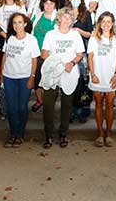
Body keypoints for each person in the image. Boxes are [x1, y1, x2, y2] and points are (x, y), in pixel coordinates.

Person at [40, 8, 84, 149]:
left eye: (69, 18)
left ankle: (63, 133)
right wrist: (57, 63)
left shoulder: (75, 35)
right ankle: (48, 135)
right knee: (48, 105)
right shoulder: (50, 34)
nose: (66, 20)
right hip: (52, 72)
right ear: (59, 19)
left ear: (72, 21)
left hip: (69, 72)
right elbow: (44, 53)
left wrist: (71, 63)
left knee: (67, 105)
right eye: (64, 17)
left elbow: (79, 54)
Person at [0, 13, 40, 147]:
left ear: (25, 24)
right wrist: (1, 73)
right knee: (11, 108)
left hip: (24, 78)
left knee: (22, 107)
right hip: (9, 77)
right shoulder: (10, 38)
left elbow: (34, 60)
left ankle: (20, 135)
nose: (17, 25)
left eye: (19, 22)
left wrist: (32, 77)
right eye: (14, 23)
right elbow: (5, 55)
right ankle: (12, 134)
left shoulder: (31, 40)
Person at [88, 12, 116, 147]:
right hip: (97, 77)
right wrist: (92, 74)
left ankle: (109, 134)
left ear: (112, 24)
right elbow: (90, 58)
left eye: (109, 21)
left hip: (111, 77)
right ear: (99, 23)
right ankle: (99, 134)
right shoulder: (93, 39)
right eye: (103, 21)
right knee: (98, 104)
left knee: (109, 105)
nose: (106, 24)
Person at [66, 0, 94, 123]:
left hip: (82, 53)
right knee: (71, 82)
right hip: (68, 52)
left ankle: (84, 111)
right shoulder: (65, 13)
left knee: (84, 83)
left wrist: (79, 31)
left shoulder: (86, 13)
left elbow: (90, 33)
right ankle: (71, 112)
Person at [30, 0, 58, 114]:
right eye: (46, 3)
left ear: (55, 5)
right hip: (36, 53)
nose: (48, 5)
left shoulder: (58, 19)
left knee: (51, 80)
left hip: (52, 55)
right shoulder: (37, 16)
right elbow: (29, 32)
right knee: (37, 78)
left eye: (51, 3)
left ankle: (49, 102)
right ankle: (39, 100)